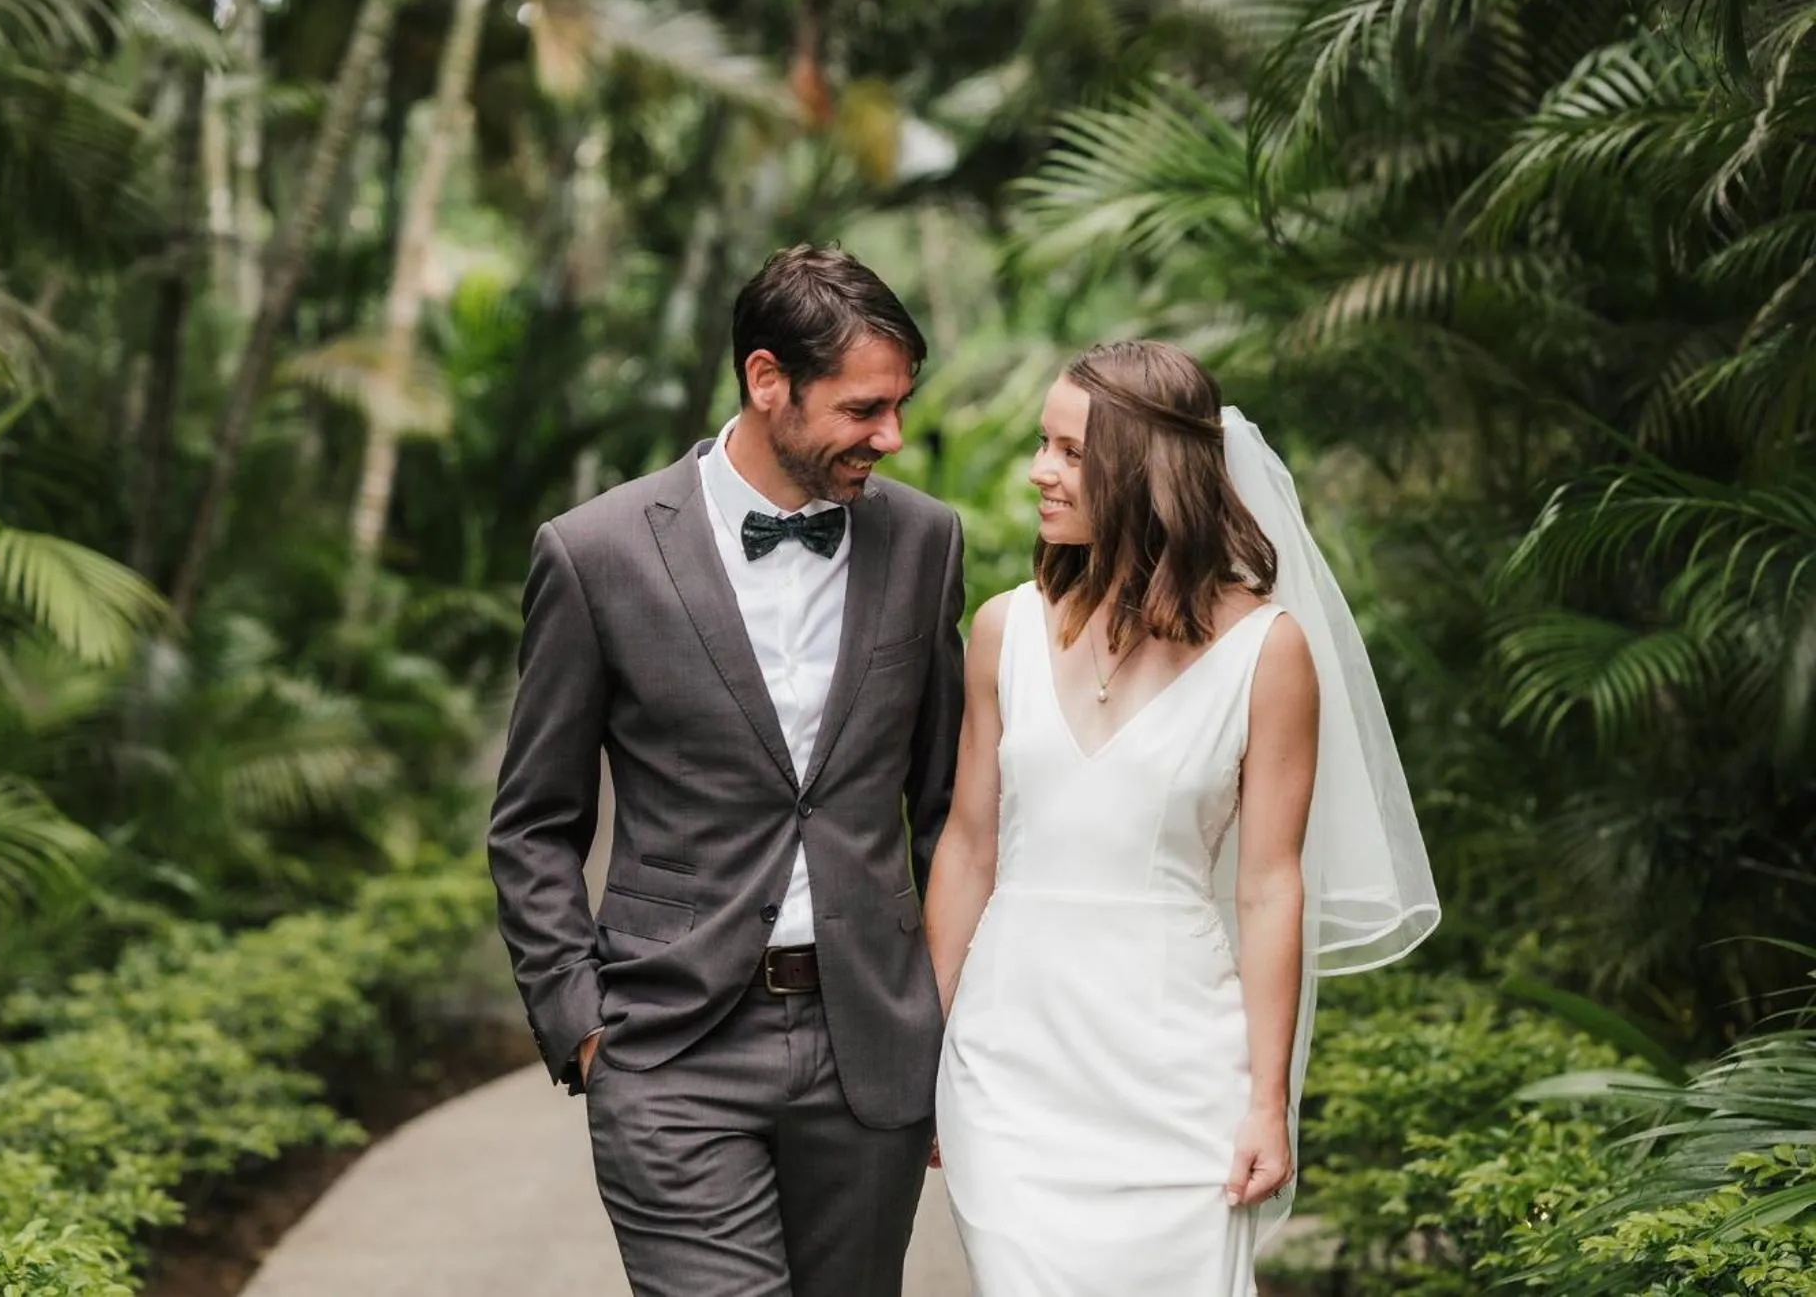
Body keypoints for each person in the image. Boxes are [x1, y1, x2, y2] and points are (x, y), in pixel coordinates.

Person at [486, 244, 966, 1297]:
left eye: (897, 408)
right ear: (765, 381)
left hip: (867, 1052)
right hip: (670, 1052)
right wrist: (579, 1026)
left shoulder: (926, 542)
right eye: (861, 410)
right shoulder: (595, 552)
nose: (888, 436)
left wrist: (945, 1022)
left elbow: (945, 811)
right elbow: (532, 822)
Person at [923, 340, 1440, 1295]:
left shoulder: (1267, 653)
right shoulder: (1002, 630)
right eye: (1043, 442)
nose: (1039, 470)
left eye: (1071, 451)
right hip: (1009, 1068)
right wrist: (920, 1046)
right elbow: (967, 845)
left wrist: (1267, 1100)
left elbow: (1269, 884)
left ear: (1146, 469)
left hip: (1178, 1075)